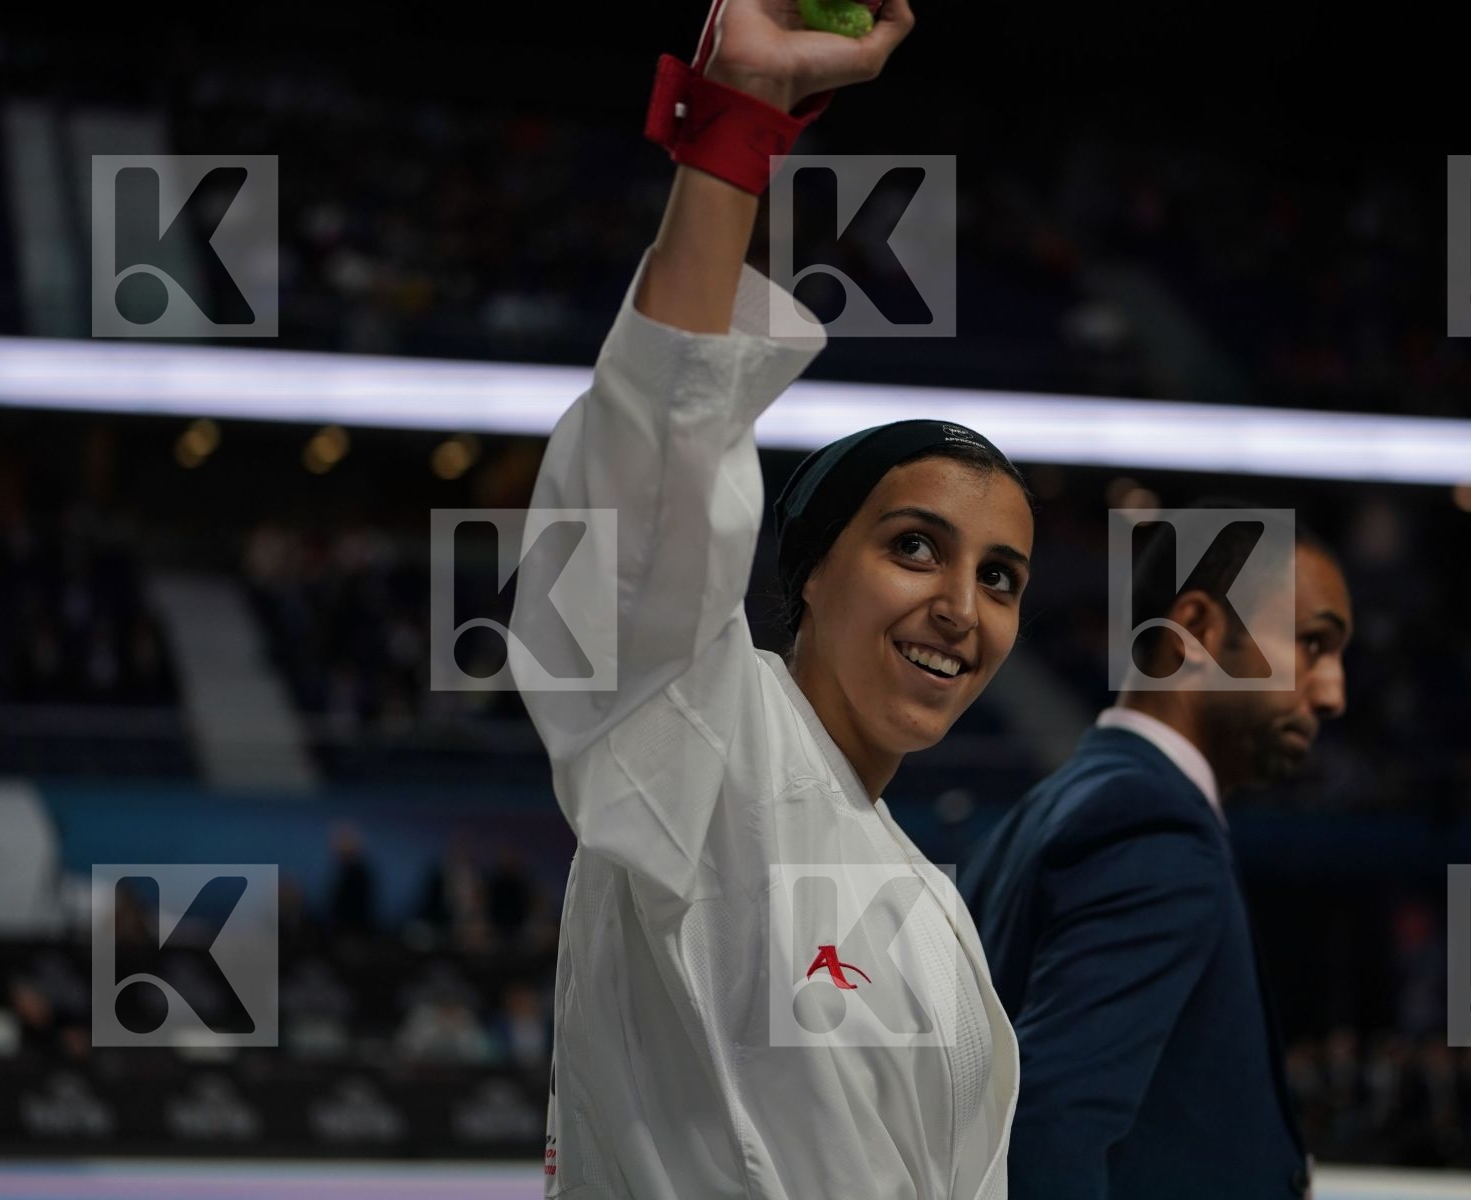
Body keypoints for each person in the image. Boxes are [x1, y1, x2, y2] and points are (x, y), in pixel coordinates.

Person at [510, 1, 1031, 1196]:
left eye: (999, 577)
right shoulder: (697, 750)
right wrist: (734, 134)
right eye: (916, 547)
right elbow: (651, 496)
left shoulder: (929, 903)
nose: (963, 605)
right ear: (807, 572)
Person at [961, 510, 1353, 1199]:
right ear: (1199, 628)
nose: (1332, 693)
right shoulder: (1152, 823)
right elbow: (1053, 1129)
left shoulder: (1049, 809)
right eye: (1312, 644)